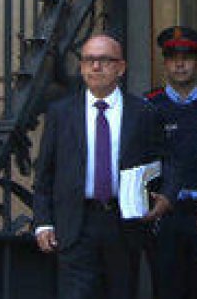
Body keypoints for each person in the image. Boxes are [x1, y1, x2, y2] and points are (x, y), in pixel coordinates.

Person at [33, 33, 175, 299]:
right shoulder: (61, 113)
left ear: (121, 68)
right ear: (81, 67)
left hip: (123, 225)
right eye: (89, 60)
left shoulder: (143, 112)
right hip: (75, 225)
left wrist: (166, 197)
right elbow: (45, 173)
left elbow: (167, 160)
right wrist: (43, 222)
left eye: (104, 60)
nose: (95, 67)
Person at [146, 26, 197, 299]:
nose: (180, 64)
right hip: (166, 213)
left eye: (187, 58)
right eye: (173, 58)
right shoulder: (149, 105)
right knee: (167, 287)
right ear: (164, 63)